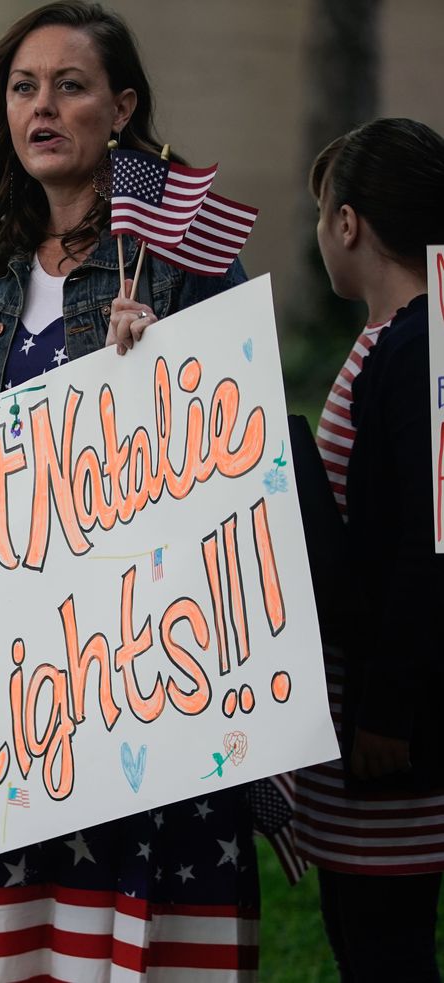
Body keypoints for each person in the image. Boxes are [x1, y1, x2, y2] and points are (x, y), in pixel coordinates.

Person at [0, 4, 258, 979]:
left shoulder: (184, 266)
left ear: (122, 107)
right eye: (23, 87)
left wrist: (166, 380)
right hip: (23, 664)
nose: (41, 105)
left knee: (121, 928)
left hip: (138, 655)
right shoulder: (7, 274)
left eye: (70, 85)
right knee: (20, 937)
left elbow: (239, 451)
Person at [289, 117, 444, 983]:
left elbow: (431, 543)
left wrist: (386, 710)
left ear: (347, 224)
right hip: (373, 737)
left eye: (321, 216)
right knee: (360, 937)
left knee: (385, 951)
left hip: (395, 742)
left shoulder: (420, 344)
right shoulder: (395, 338)